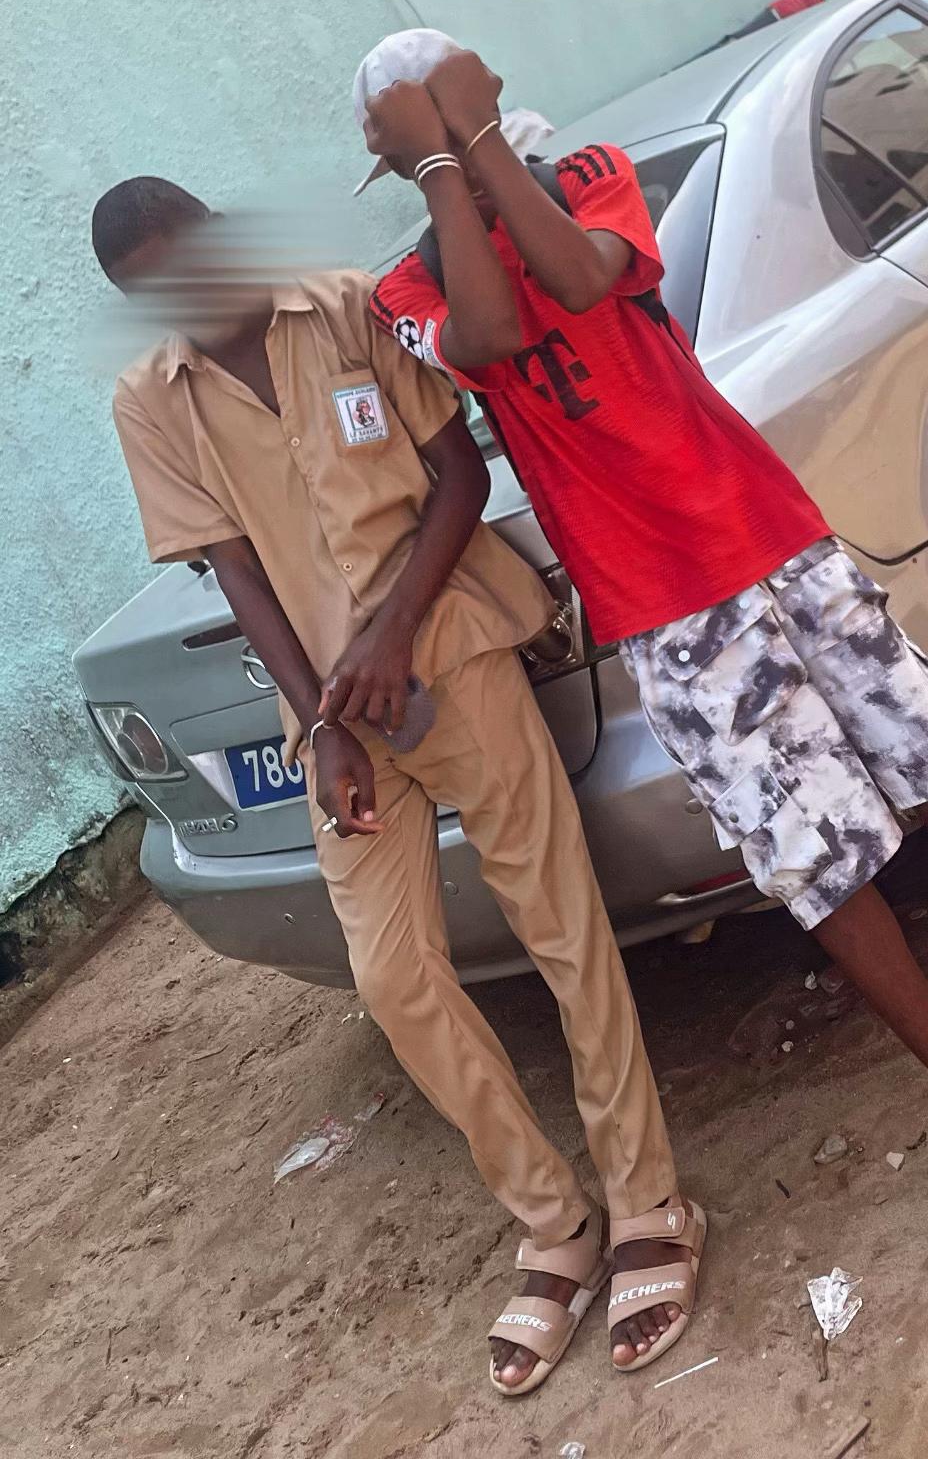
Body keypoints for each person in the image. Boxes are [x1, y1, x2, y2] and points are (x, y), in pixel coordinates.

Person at [361, 32, 928, 1285]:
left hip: (777, 545)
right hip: (666, 616)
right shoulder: (408, 287)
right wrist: (440, 168)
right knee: (822, 870)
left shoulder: (587, 179)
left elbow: (579, 278)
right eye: (422, 148)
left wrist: (474, 144)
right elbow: (489, 327)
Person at [92, 175, 707, 1397]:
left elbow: (459, 477)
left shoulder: (346, 310)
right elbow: (238, 571)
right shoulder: (151, 401)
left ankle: (648, 1205)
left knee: (563, 933)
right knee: (392, 977)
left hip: (456, 657)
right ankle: (555, 1222)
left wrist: (391, 636)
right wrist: (326, 721)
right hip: (336, 720)